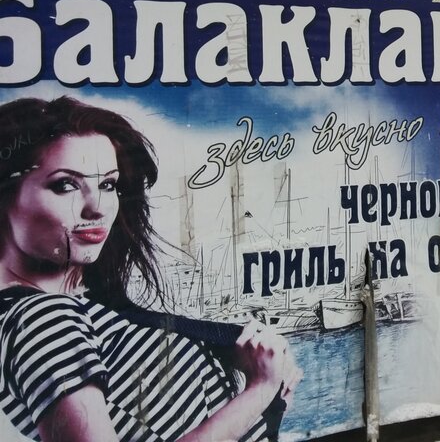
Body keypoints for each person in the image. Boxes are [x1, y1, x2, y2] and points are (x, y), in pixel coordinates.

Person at [0, 96, 301, 442]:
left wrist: (268, 397)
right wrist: (261, 389)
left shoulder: (70, 307)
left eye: (108, 184)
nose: (98, 207)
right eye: (65, 184)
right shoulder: (43, 318)